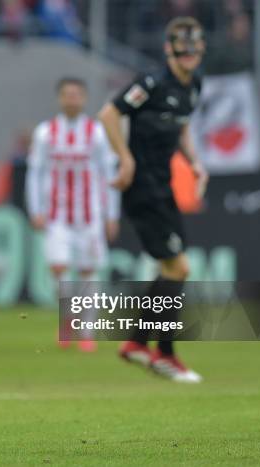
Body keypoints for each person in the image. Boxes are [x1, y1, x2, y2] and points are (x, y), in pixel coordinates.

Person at [99, 17, 208, 383]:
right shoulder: (151, 82)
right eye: (182, 47)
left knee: (172, 269)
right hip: (142, 186)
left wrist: (194, 162)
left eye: (194, 47)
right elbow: (109, 113)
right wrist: (125, 158)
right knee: (179, 269)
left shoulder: (194, 85)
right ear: (169, 48)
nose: (189, 54)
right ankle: (163, 353)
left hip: (164, 186)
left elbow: (182, 125)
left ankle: (138, 344)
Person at [26, 77, 120, 352]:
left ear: (84, 98)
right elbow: (35, 172)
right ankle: (68, 320)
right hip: (57, 216)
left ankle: (87, 330)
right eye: (67, 94)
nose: (72, 99)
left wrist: (111, 214)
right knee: (58, 269)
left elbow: (109, 174)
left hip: (90, 216)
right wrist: (36, 209)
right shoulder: (46, 132)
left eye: (77, 94)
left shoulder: (97, 132)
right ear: (60, 99)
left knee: (89, 272)